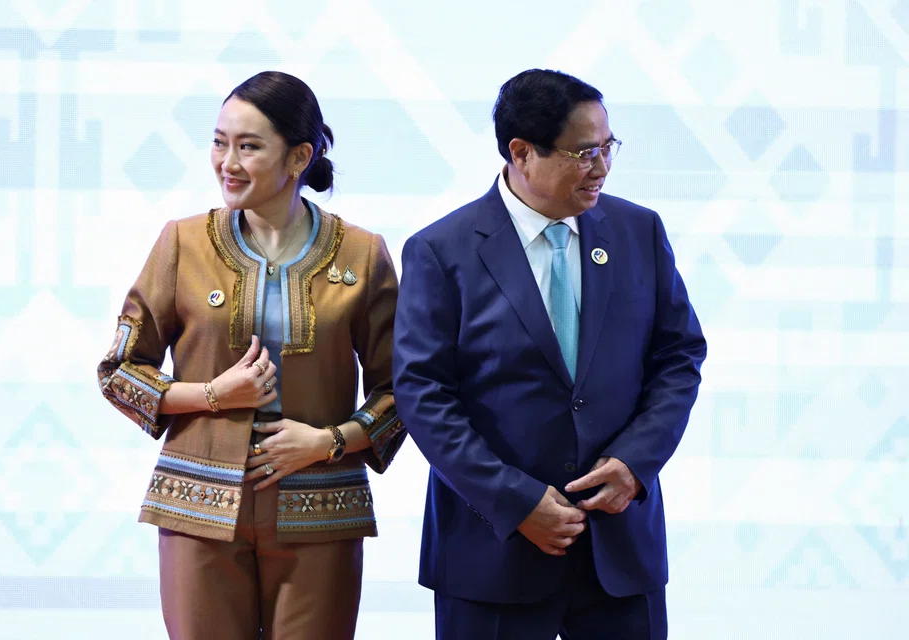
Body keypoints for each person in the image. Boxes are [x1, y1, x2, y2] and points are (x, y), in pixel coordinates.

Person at [392, 68, 707, 640]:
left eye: (608, 147)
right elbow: (423, 394)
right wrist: (515, 501)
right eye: (584, 153)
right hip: (492, 551)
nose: (602, 168)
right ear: (521, 152)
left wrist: (635, 464)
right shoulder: (444, 250)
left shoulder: (638, 230)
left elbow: (678, 356)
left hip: (618, 547)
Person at [98, 70, 405, 640]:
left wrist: (329, 440)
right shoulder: (181, 243)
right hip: (198, 508)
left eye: (248, 146)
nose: (227, 162)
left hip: (322, 508)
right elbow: (117, 371)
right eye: (219, 142)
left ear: (298, 157)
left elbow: (404, 392)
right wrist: (214, 395)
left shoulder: (364, 254)